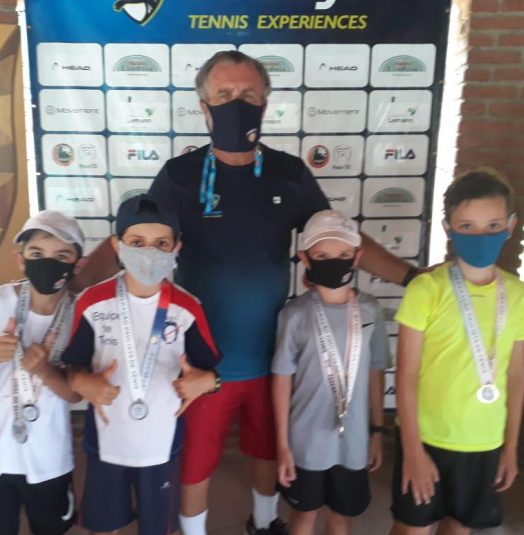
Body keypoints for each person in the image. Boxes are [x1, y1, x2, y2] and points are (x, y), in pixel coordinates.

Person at [74, 51, 419, 535]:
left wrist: (412, 278)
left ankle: (264, 523)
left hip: (274, 356)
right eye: (225, 95)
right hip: (196, 360)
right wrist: (73, 282)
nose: (237, 103)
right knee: (195, 463)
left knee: (265, 452)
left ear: (264, 103)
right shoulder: (179, 175)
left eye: (248, 94)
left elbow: (340, 238)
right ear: (204, 107)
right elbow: (135, 237)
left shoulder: (290, 173)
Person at [62, 194, 221, 535]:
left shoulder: (188, 308)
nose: (149, 252)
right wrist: (80, 382)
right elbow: (73, 366)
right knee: (104, 526)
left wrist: (209, 382)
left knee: (158, 528)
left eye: (161, 243)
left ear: (177, 247)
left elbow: (210, 372)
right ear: (117, 246)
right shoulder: (91, 302)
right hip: (106, 443)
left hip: (161, 447)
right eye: (136, 242)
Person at [390, 169, 524, 535]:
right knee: (411, 527)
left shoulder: (517, 295)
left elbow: (516, 377)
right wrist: (412, 451)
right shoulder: (426, 290)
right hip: (427, 439)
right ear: (448, 229)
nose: (481, 236)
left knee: (460, 526)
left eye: (493, 225)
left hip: (484, 443)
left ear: (510, 226)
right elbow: (406, 375)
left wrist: (509, 448)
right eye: (467, 226)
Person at [272, 209, 389, 535]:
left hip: (354, 442)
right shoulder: (294, 315)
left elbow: (376, 371)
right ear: (305, 259)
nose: (333, 262)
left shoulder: (370, 310)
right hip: (305, 442)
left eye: (343, 255)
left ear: (357, 257)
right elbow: (281, 379)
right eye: (322, 256)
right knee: (304, 515)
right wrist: (282, 445)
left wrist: (377, 432)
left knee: (341, 517)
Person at [0, 210, 86, 535]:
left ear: (77, 265)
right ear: (20, 259)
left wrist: (46, 371)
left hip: (49, 459)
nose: (47, 263)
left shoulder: (82, 315)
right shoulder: (1, 301)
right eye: (36, 254)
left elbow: (75, 393)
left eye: (61, 256)